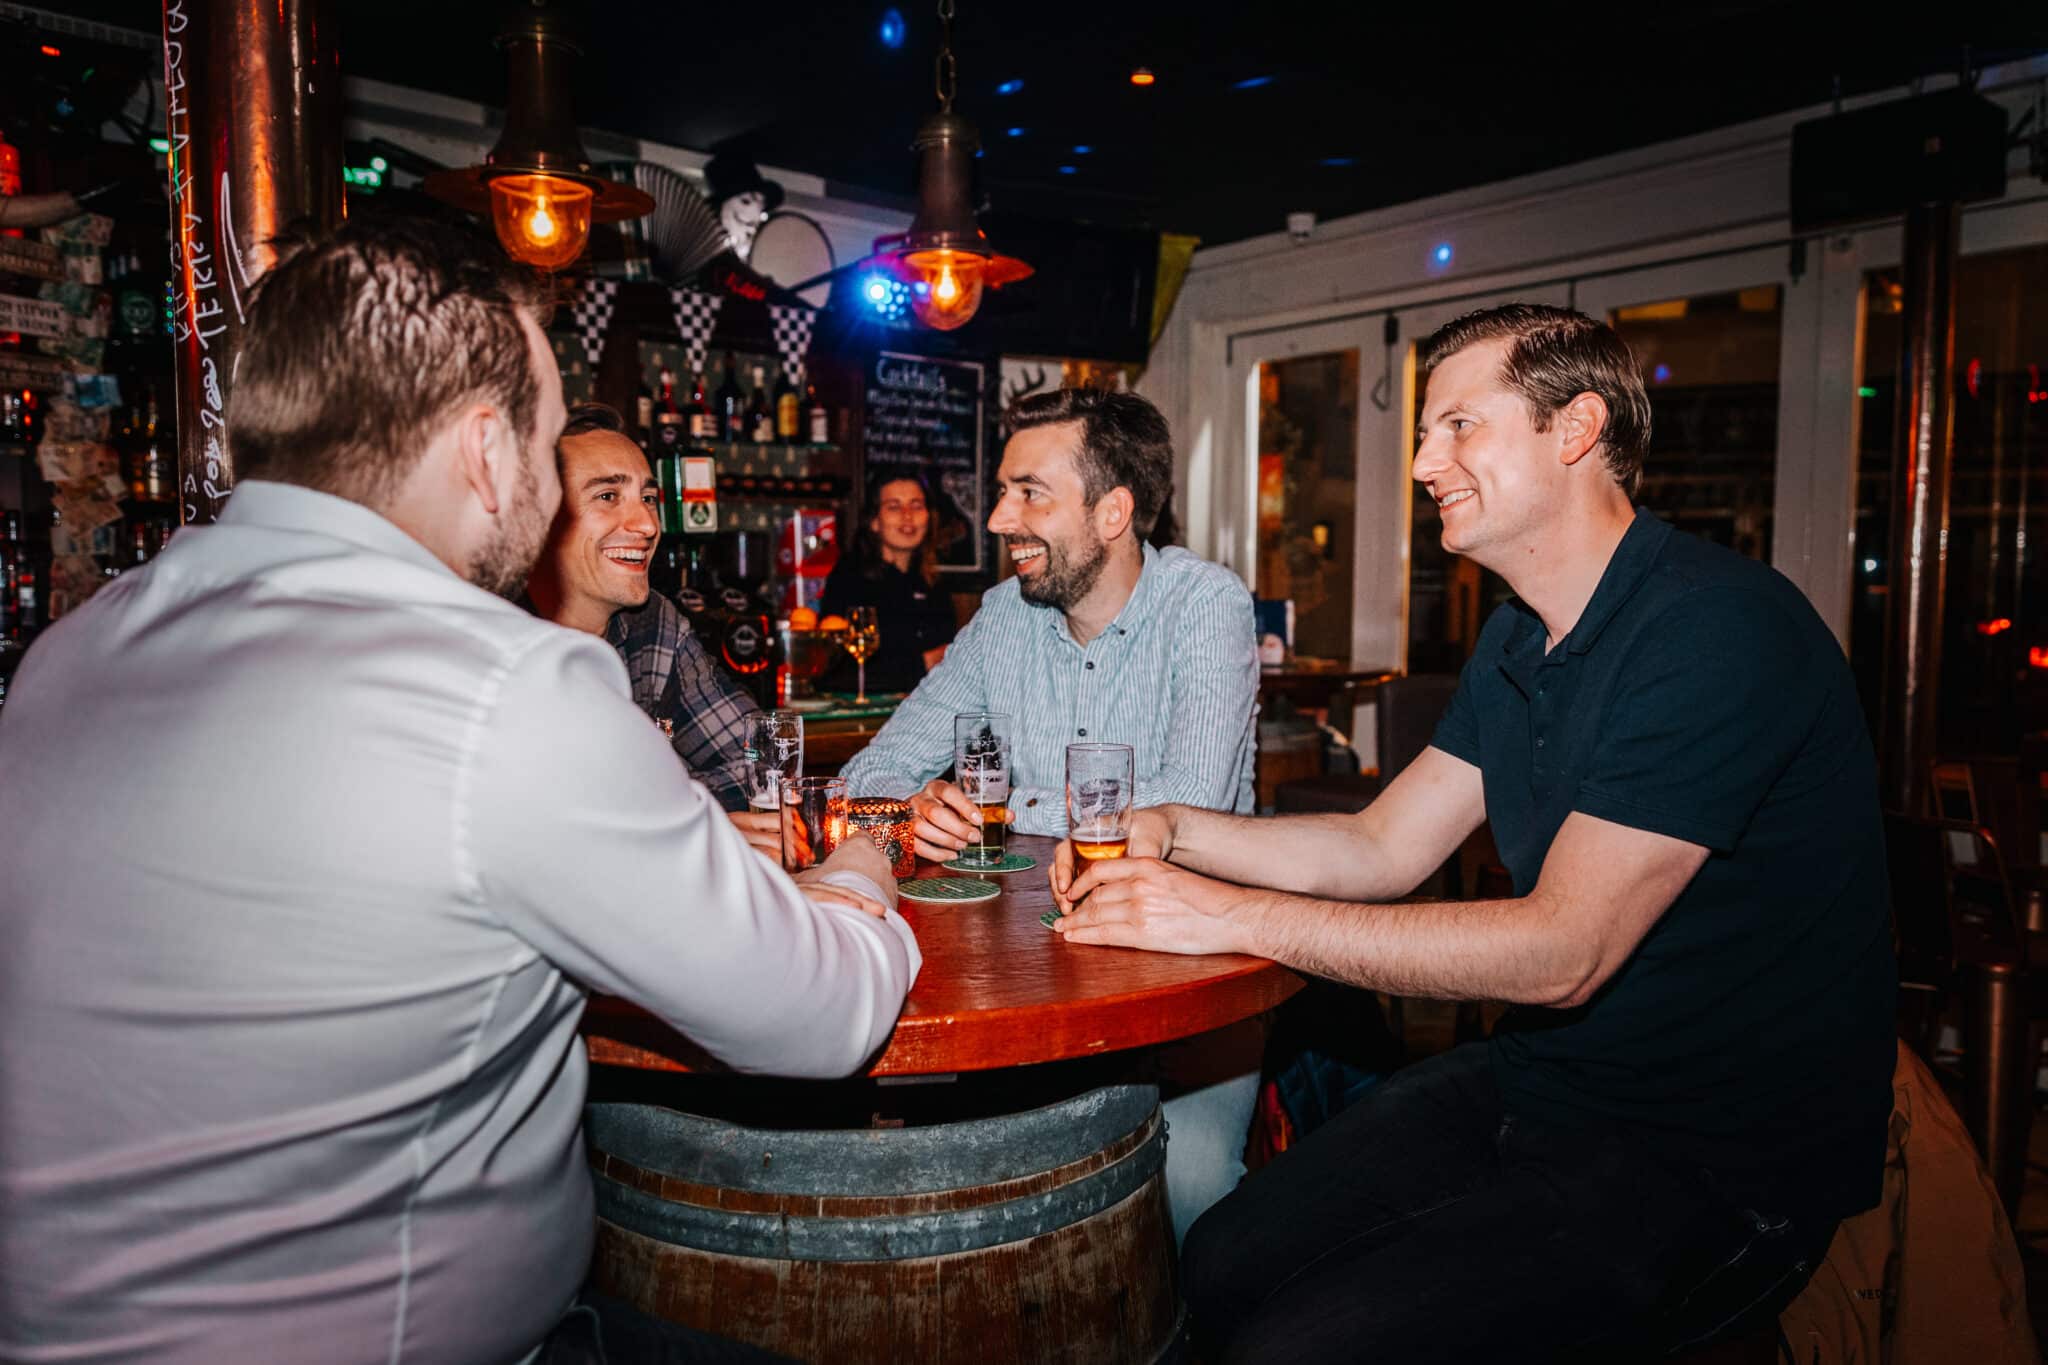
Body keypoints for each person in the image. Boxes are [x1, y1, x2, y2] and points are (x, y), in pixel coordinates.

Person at [0, 216, 919, 1364]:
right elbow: (820, 1016)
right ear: (487, 450)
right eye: (545, 449)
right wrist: (861, 870)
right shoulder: (506, 685)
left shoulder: (71, 654)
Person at [1050, 303, 1895, 1362]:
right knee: (1217, 1262)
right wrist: (1172, 828)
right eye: (1421, 433)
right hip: (1554, 1082)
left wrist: (1225, 915)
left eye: (1457, 426)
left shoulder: (1714, 627)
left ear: (1575, 428)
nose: (1420, 464)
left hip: (1719, 1154)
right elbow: (1380, 848)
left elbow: (1560, 953)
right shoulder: (1517, 636)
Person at [840, 386, 1261, 1245]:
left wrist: (998, 806)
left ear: (1113, 512)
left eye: (1030, 493)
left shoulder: (1204, 604)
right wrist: (910, 806)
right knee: (954, 1169)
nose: (1000, 519)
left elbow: (1190, 813)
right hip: (1025, 976)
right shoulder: (1005, 616)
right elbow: (865, 775)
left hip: (1191, 968)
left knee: (1187, 1185)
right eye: (1004, 492)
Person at [525, 401, 762, 816]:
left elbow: (755, 762)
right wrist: (687, 818)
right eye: (607, 496)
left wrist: (679, 814)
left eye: (648, 498)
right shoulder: (495, 635)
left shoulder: (651, 624)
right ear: (538, 515)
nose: (648, 525)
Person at [817, 471, 958, 694]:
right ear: (874, 521)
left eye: (916, 506)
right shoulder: (850, 577)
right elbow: (840, 671)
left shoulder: (934, 583)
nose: (907, 515)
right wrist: (924, 662)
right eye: (894, 507)